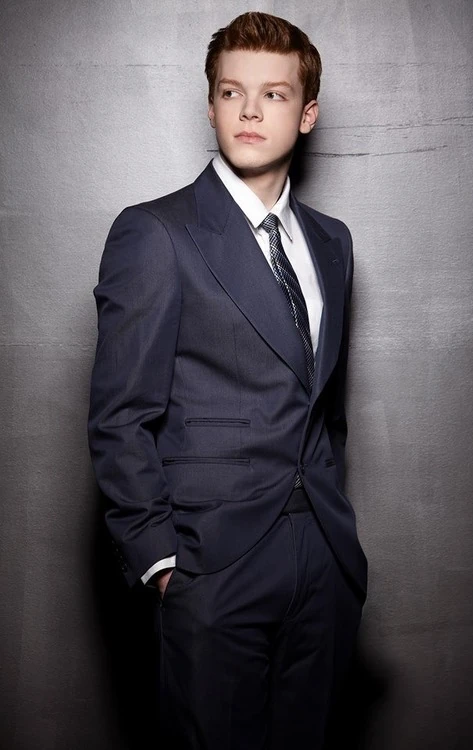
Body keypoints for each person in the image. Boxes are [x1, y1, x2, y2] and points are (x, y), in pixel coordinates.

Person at [88, 11, 367, 750]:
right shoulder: (156, 232)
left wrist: (336, 541)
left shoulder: (332, 243)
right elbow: (120, 416)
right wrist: (162, 562)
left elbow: (325, 408)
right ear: (210, 106)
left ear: (306, 114)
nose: (249, 111)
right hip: (212, 563)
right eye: (231, 92)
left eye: (274, 94)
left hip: (322, 557)